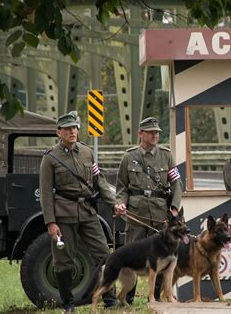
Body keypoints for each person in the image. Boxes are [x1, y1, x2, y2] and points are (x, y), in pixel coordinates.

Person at [39, 111, 118, 312]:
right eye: (67, 129)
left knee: (103, 254)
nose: (72, 131)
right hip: (63, 215)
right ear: (59, 132)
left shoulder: (87, 152)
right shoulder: (50, 158)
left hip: (88, 212)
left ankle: (110, 299)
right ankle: (69, 304)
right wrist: (51, 222)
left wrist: (114, 203)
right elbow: (46, 193)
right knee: (63, 260)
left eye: (74, 128)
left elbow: (99, 182)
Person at [114, 116, 182, 303]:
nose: (155, 135)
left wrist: (174, 209)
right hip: (136, 215)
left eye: (157, 132)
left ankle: (156, 297)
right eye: (151, 132)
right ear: (141, 134)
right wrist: (120, 202)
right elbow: (121, 187)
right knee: (132, 255)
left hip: (160, 214)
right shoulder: (129, 157)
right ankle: (128, 298)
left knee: (162, 256)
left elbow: (177, 184)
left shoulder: (166, 155)